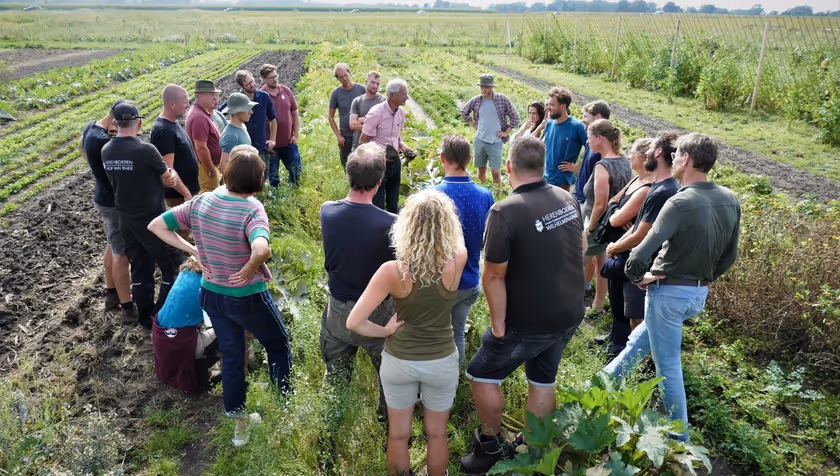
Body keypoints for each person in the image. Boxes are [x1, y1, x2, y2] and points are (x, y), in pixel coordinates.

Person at [147, 145, 293, 448]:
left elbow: (156, 224)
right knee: (278, 344)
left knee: (231, 356)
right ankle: (285, 411)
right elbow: (262, 249)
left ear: (227, 174)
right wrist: (250, 267)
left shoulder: (201, 202)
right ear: (257, 180)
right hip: (247, 296)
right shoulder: (252, 208)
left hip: (212, 295)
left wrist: (193, 250)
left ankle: (240, 427)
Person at [461, 137, 584, 473]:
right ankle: (533, 446)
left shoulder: (505, 211)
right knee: (542, 379)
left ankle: (490, 447)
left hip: (529, 321)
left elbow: (494, 276)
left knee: (482, 375)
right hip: (569, 311)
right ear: (542, 166)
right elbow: (580, 246)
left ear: (510, 167)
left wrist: (499, 325)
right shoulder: (566, 197)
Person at [624, 132, 740, 440]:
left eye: (677, 156)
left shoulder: (680, 202)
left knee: (669, 369)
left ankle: (680, 440)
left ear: (686, 159)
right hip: (696, 294)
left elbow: (641, 253)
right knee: (640, 340)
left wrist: (638, 276)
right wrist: (704, 279)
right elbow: (730, 255)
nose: (674, 160)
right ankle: (604, 384)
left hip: (668, 295)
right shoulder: (729, 198)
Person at [346, 189, 467, 476]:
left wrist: (385, 330)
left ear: (406, 226)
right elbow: (459, 240)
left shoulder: (392, 271)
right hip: (441, 361)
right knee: (437, 434)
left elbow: (354, 322)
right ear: (447, 226)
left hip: (399, 362)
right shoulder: (456, 261)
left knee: (398, 435)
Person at [319, 143, 396, 411]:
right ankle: (389, 424)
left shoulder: (327, 211)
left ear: (348, 174)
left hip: (339, 309)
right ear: (378, 182)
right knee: (390, 378)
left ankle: (330, 430)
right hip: (378, 311)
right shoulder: (391, 224)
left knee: (336, 381)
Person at [602, 131, 682, 382]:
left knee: (637, 314)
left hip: (644, 263)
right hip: (643, 262)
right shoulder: (662, 187)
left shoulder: (660, 191)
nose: (645, 153)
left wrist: (615, 247)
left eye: (650, 149)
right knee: (629, 310)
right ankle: (630, 358)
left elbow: (643, 234)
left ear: (658, 153)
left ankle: (637, 369)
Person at [101, 101, 187, 329]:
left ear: (116, 123)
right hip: (153, 220)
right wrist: (170, 177)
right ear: (139, 123)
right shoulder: (145, 150)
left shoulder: (106, 150)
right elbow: (167, 177)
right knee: (172, 265)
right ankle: (161, 314)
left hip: (127, 220)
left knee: (140, 268)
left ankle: (144, 317)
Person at [435, 134, 494, 367]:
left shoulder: (433, 194)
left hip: (441, 282)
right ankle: (454, 379)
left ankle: (436, 384)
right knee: (457, 331)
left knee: (436, 333)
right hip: (470, 280)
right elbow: (485, 240)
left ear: (442, 158)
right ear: (470, 159)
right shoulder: (485, 195)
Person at [594, 138, 654, 356]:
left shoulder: (646, 188)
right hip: (619, 247)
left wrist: (617, 211)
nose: (628, 156)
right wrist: (616, 209)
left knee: (630, 306)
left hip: (628, 251)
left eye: (633, 152)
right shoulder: (635, 180)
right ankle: (614, 338)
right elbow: (613, 202)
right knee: (616, 298)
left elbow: (614, 220)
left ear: (643, 157)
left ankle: (623, 349)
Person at [78, 102, 131, 318]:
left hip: (101, 197)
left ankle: (111, 292)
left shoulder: (91, 128)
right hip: (113, 202)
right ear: (115, 120)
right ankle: (127, 306)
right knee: (121, 253)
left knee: (111, 243)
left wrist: (96, 170)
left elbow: (80, 149)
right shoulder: (105, 142)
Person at [582, 119, 632, 319]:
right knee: (600, 261)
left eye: (589, 137)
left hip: (598, 225)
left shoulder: (602, 166)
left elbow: (600, 204)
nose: (587, 142)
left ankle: (564, 306)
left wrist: (591, 229)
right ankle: (598, 304)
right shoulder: (624, 160)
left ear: (600, 139)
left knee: (572, 265)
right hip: (613, 225)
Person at [151, 258, 218, 394]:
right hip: (180, 342)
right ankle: (206, 371)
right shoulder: (208, 283)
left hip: (161, 337)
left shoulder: (186, 273)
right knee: (232, 331)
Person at [571, 101, 610, 301]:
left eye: (586, 117)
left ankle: (576, 288)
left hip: (587, 203)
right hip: (583, 197)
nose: (583, 121)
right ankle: (591, 293)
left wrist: (592, 223)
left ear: (598, 117)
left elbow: (600, 197)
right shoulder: (593, 142)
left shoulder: (601, 150)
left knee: (584, 250)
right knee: (598, 254)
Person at [361, 78, 415, 214]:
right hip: (379, 163)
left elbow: (396, 138)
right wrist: (379, 153)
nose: (407, 97)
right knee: (377, 202)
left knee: (393, 202)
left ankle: (393, 230)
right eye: (404, 94)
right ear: (392, 95)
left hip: (395, 162)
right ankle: (377, 230)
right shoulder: (376, 113)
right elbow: (363, 140)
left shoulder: (401, 113)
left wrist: (404, 148)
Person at [459, 74, 519, 187]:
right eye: (482, 86)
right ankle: (484, 193)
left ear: (491, 87)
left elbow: (515, 116)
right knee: (481, 170)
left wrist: (506, 132)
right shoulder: (477, 100)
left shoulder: (502, 99)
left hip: (495, 141)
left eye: (486, 87)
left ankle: (497, 195)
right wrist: (472, 123)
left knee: (496, 172)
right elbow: (464, 111)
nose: (483, 89)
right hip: (480, 140)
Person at [219, 70, 278, 185]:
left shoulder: (264, 97)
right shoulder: (236, 100)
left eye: (252, 81)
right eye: (248, 84)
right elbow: (218, 113)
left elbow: (273, 118)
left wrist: (272, 139)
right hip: (244, 154)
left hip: (261, 147)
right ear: (242, 86)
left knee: (261, 180)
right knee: (249, 181)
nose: (252, 85)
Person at [150, 85, 200, 212]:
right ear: (172, 104)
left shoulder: (172, 123)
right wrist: (186, 193)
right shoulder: (164, 131)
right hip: (179, 196)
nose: (188, 105)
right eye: (185, 102)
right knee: (181, 231)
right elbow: (168, 170)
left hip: (186, 191)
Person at [260, 63, 301, 186]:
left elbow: (294, 112)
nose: (275, 79)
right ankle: (277, 199)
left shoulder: (286, 90)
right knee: (273, 176)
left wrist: (295, 135)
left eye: (276, 75)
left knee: (296, 171)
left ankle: (294, 193)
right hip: (272, 146)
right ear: (264, 79)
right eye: (271, 77)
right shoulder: (261, 95)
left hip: (289, 142)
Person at [543, 86, 587, 191]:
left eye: (552, 105)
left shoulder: (576, 126)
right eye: (548, 104)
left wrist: (576, 168)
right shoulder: (549, 123)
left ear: (563, 106)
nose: (548, 108)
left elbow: (594, 152)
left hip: (561, 182)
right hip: (545, 178)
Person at [186, 80, 224, 194]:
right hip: (206, 168)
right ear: (201, 96)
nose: (215, 98)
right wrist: (211, 168)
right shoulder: (199, 117)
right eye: (212, 95)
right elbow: (200, 148)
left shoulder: (203, 113)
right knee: (210, 195)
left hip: (210, 165)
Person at [328, 63, 366, 169]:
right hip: (345, 136)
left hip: (361, 134)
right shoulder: (336, 94)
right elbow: (330, 117)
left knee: (363, 162)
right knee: (347, 164)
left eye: (346, 75)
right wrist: (338, 136)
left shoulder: (362, 90)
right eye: (341, 77)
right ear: (338, 79)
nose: (344, 78)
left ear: (349, 73)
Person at [220, 92, 258, 172]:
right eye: (247, 109)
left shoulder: (242, 126)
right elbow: (223, 167)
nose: (251, 112)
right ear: (237, 111)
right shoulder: (231, 136)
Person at [349, 71, 385, 152]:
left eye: (377, 84)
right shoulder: (357, 101)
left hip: (377, 148)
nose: (375, 86)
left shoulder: (383, 102)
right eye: (372, 82)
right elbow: (353, 125)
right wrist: (372, 125)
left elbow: (383, 127)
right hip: (358, 147)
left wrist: (362, 120)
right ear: (366, 82)